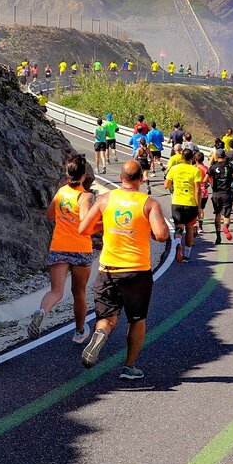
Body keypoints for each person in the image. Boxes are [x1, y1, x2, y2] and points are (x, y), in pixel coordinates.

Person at [78, 160, 170, 379]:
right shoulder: (149, 203)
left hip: (108, 270)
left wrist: (108, 223)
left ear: (121, 178)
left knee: (107, 318)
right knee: (137, 319)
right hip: (137, 271)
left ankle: (101, 333)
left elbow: (84, 229)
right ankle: (129, 367)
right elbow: (161, 235)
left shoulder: (105, 199)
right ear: (141, 178)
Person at [28, 154, 95, 343]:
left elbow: (50, 214)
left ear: (67, 174)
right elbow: (85, 221)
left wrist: (65, 217)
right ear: (84, 175)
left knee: (56, 291)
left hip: (59, 246)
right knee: (79, 293)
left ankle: (42, 311)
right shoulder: (85, 196)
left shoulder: (61, 192)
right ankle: (80, 332)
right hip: (80, 248)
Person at [165, 148, 202, 262]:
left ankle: (177, 243)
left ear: (181, 157)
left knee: (179, 228)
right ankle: (186, 256)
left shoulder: (174, 169)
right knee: (190, 229)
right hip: (190, 203)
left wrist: (175, 185)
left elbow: (166, 185)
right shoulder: (195, 170)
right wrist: (199, 207)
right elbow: (198, 190)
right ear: (192, 158)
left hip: (177, 202)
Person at [207, 148, 233, 244]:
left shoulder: (213, 167)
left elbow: (205, 179)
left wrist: (209, 183)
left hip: (216, 194)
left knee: (217, 214)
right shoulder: (230, 165)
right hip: (227, 193)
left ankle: (218, 237)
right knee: (226, 215)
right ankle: (225, 227)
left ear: (216, 156)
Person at [194, 151, 209, 233]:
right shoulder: (206, 168)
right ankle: (200, 225)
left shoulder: (194, 168)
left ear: (195, 159)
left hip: (196, 190)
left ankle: (194, 224)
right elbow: (208, 180)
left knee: (195, 208)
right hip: (204, 191)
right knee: (202, 209)